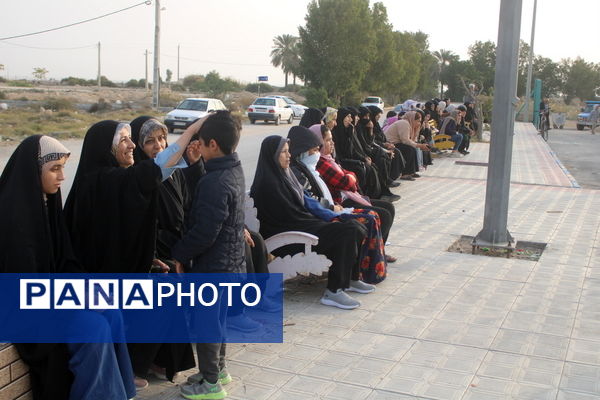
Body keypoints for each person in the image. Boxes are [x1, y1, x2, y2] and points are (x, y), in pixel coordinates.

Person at [0, 135, 136, 400]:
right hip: (22, 309)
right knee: (92, 328)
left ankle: (122, 393)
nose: (62, 176)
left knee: (110, 311)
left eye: (63, 167)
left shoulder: (45, 203)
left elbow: (64, 262)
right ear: (33, 170)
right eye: (54, 169)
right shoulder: (12, 215)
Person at [170, 111, 245, 400]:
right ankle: (217, 371)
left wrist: (179, 254)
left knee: (206, 326)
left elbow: (205, 232)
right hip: (230, 264)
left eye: (200, 142)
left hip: (213, 269)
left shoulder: (215, 182)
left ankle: (211, 384)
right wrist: (195, 165)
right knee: (217, 323)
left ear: (212, 144)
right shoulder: (232, 169)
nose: (197, 146)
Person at [251, 135, 373, 309]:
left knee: (357, 226)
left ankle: (351, 279)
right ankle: (333, 291)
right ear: (272, 155)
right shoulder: (268, 184)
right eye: (283, 152)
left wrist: (324, 219)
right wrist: (322, 224)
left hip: (301, 227)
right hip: (286, 239)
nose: (289, 156)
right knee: (348, 231)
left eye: (288, 151)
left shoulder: (285, 176)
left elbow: (301, 209)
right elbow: (287, 218)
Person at [127, 116, 196, 384]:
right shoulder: (140, 176)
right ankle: (139, 365)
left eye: (161, 139)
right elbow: (139, 226)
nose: (158, 146)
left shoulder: (174, 172)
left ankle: (162, 360)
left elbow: (186, 208)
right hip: (153, 250)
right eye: (149, 141)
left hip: (175, 245)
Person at [288, 125, 388, 283]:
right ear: (302, 151)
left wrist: (334, 208)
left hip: (328, 210)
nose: (317, 154)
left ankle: (365, 271)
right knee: (362, 222)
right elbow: (311, 200)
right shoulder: (299, 171)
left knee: (373, 216)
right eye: (314, 150)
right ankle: (360, 274)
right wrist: (333, 211)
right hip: (319, 217)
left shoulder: (309, 168)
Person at [313, 124, 397, 262]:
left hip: (349, 196)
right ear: (318, 142)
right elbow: (345, 181)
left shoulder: (329, 159)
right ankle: (370, 255)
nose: (332, 143)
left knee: (389, 208)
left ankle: (378, 250)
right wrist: (350, 177)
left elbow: (348, 174)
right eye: (328, 140)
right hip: (341, 202)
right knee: (383, 215)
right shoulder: (320, 162)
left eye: (332, 139)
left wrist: (350, 176)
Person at [332, 107, 381, 198]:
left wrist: (363, 158)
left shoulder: (349, 130)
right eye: (348, 117)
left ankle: (374, 195)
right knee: (361, 168)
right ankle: (363, 196)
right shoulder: (335, 133)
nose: (351, 119)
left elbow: (352, 151)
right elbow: (345, 153)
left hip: (348, 159)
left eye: (351, 117)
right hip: (341, 161)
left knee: (372, 166)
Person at [385, 112, 430, 180]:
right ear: (412, 119)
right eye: (418, 121)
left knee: (412, 148)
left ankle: (411, 172)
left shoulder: (410, 125)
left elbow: (412, 140)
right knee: (409, 149)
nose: (419, 123)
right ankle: (405, 174)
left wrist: (417, 130)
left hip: (398, 143)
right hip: (390, 143)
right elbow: (405, 140)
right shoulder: (404, 123)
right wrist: (419, 145)